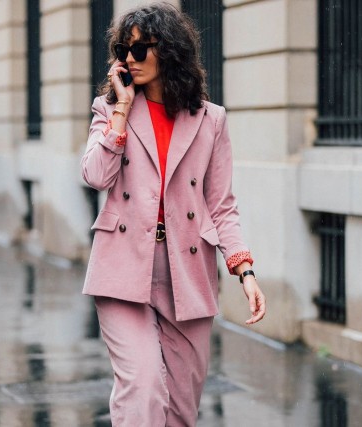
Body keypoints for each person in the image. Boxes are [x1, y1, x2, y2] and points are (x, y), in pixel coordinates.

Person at [80, 3, 266, 426]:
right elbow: (95, 176)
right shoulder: (110, 110)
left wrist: (245, 271)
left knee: (180, 409)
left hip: (188, 273)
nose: (130, 59)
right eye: (123, 50)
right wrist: (122, 109)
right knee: (142, 390)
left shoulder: (210, 119)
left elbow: (221, 204)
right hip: (123, 267)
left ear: (168, 50)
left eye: (140, 49)